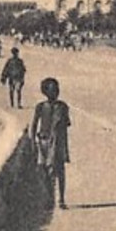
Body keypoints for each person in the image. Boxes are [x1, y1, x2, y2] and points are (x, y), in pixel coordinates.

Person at [30, 77, 72, 210]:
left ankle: (61, 199)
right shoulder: (40, 107)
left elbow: (67, 123)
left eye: (56, 89)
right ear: (45, 92)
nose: (55, 92)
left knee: (59, 169)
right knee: (44, 172)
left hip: (58, 142)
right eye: (52, 90)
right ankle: (49, 198)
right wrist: (33, 142)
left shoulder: (63, 107)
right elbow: (34, 124)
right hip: (43, 141)